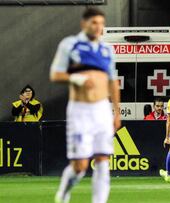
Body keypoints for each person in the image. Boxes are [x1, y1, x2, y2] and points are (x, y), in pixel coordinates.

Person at [50, 8, 121, 203]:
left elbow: (113, 82)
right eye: (94, 23)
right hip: (80, 111)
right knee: (80, 166)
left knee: (103, 161)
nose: (99, 27)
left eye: (101, 23)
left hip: (102, 110)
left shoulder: (107, 49)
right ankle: (63, 193)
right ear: (84, 24)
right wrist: (78, 79)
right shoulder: (70, 45)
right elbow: (56, 74)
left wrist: (117, 112)